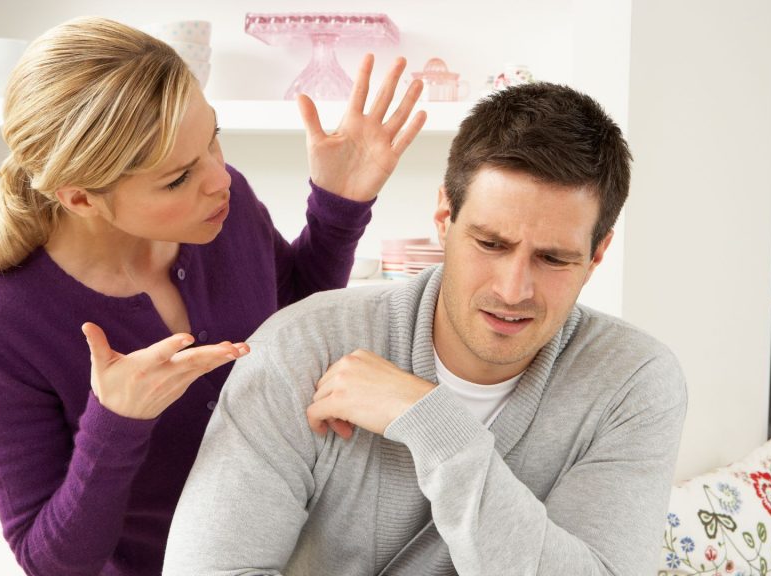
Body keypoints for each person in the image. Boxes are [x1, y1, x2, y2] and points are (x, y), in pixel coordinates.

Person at [0, 16, 426, 576]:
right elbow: (53, 563)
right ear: (79, 199)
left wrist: (338, 207)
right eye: (177, 178)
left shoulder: (227, 208)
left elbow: (289, 317)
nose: (218, 178)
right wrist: (116, 422)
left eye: (213, 139)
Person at [163, 82, 688, 575]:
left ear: (597, 254)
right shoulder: (300, 347)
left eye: (553, 258)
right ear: (443, 215)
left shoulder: (634, 381)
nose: (513, 290)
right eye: (491, 243)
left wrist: (436, 428)